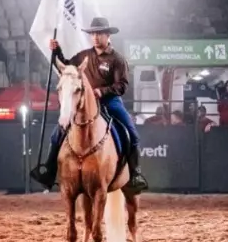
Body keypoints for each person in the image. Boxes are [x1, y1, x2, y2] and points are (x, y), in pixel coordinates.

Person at [30, 17, 148, 194]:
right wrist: (57, 51)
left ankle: (135, 175)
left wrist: (102, 91)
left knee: (131, 134)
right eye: (93, 33)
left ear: (108, 35)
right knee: (58, 132)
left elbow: (122, 85)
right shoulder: (84, 55)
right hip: (85, 102)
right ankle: (49, 170)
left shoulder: (117, 59)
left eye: (99, 33)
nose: (95, 37)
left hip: (110, 101)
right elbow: (67, 67)